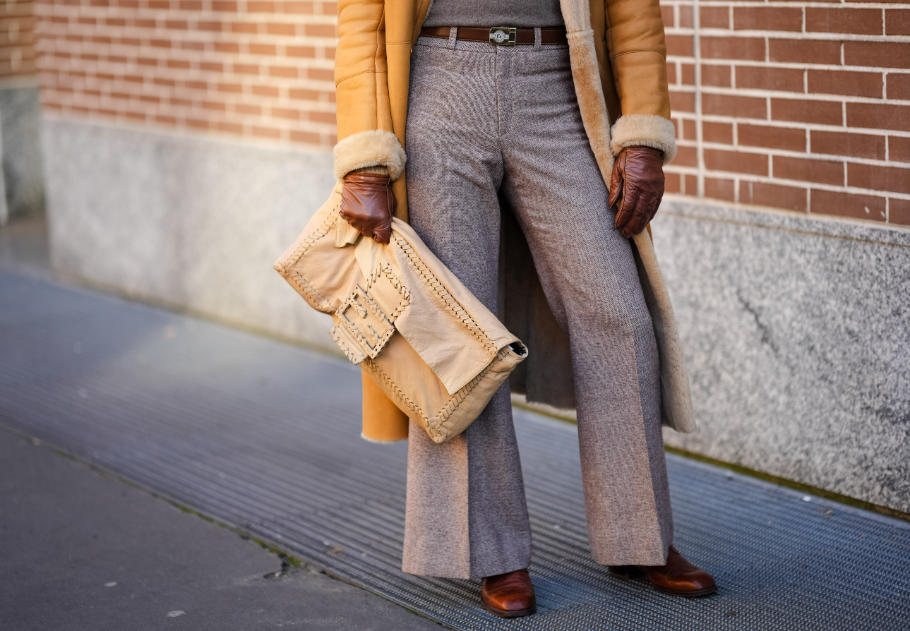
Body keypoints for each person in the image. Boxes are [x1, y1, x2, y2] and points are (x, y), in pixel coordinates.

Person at [332, 0, 717, 618]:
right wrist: (364, 158)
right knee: (458, 331)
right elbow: (362, 18)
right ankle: (492, 550)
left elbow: (635, 13)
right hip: (440, 82)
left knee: (617, 313)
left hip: (558, 86)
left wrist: (643, 133)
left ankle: (638, 536)